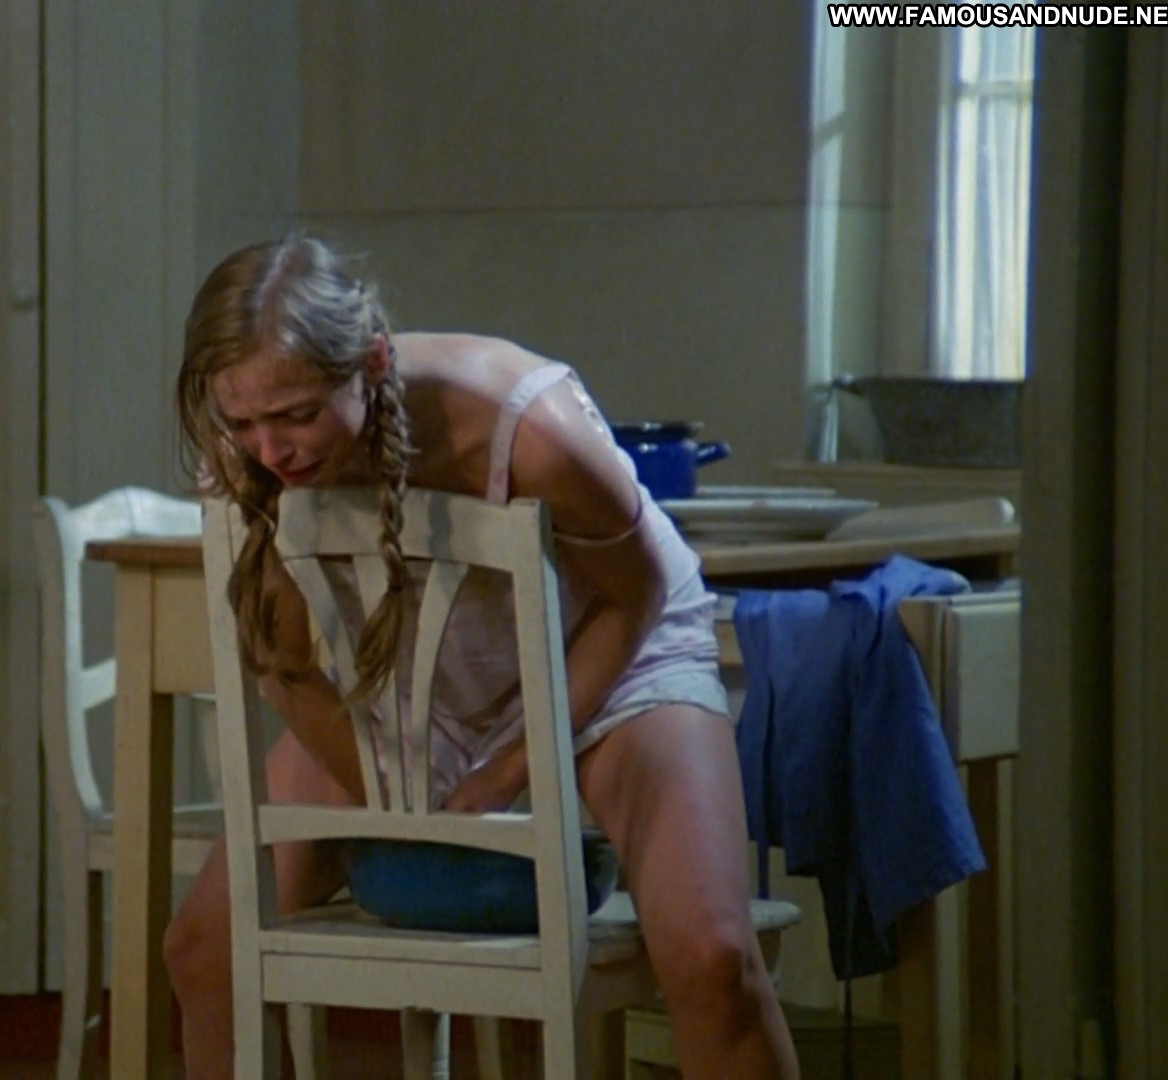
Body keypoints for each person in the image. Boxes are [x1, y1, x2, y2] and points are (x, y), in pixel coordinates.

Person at [166, 234, 800, 1078]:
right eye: (244, 422)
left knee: (713, 960)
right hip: (412, 689)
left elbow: (636, 594)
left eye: (297, 416)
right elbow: (288, 670)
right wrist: (394, 804)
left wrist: (505, 773)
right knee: (203, 951)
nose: (271, 449)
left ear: (372, 364)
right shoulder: (247, 455)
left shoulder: (525, 425)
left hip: (607, 651)